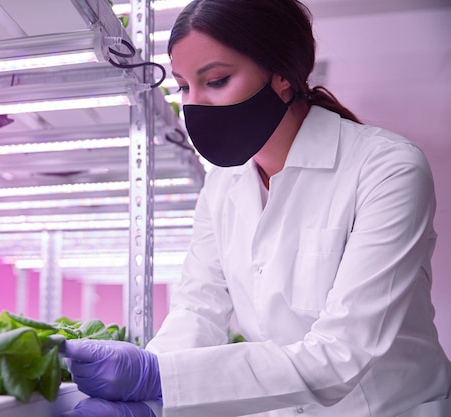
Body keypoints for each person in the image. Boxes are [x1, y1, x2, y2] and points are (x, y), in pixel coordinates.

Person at [60, 0, 451, 416]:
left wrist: (158, 379)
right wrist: (151, 392)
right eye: (183, 86)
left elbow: (343, 353)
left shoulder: (386, 168)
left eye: (216, 81)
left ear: (281, 74)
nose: (195, 105)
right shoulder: (222, 184)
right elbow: (199, 309)